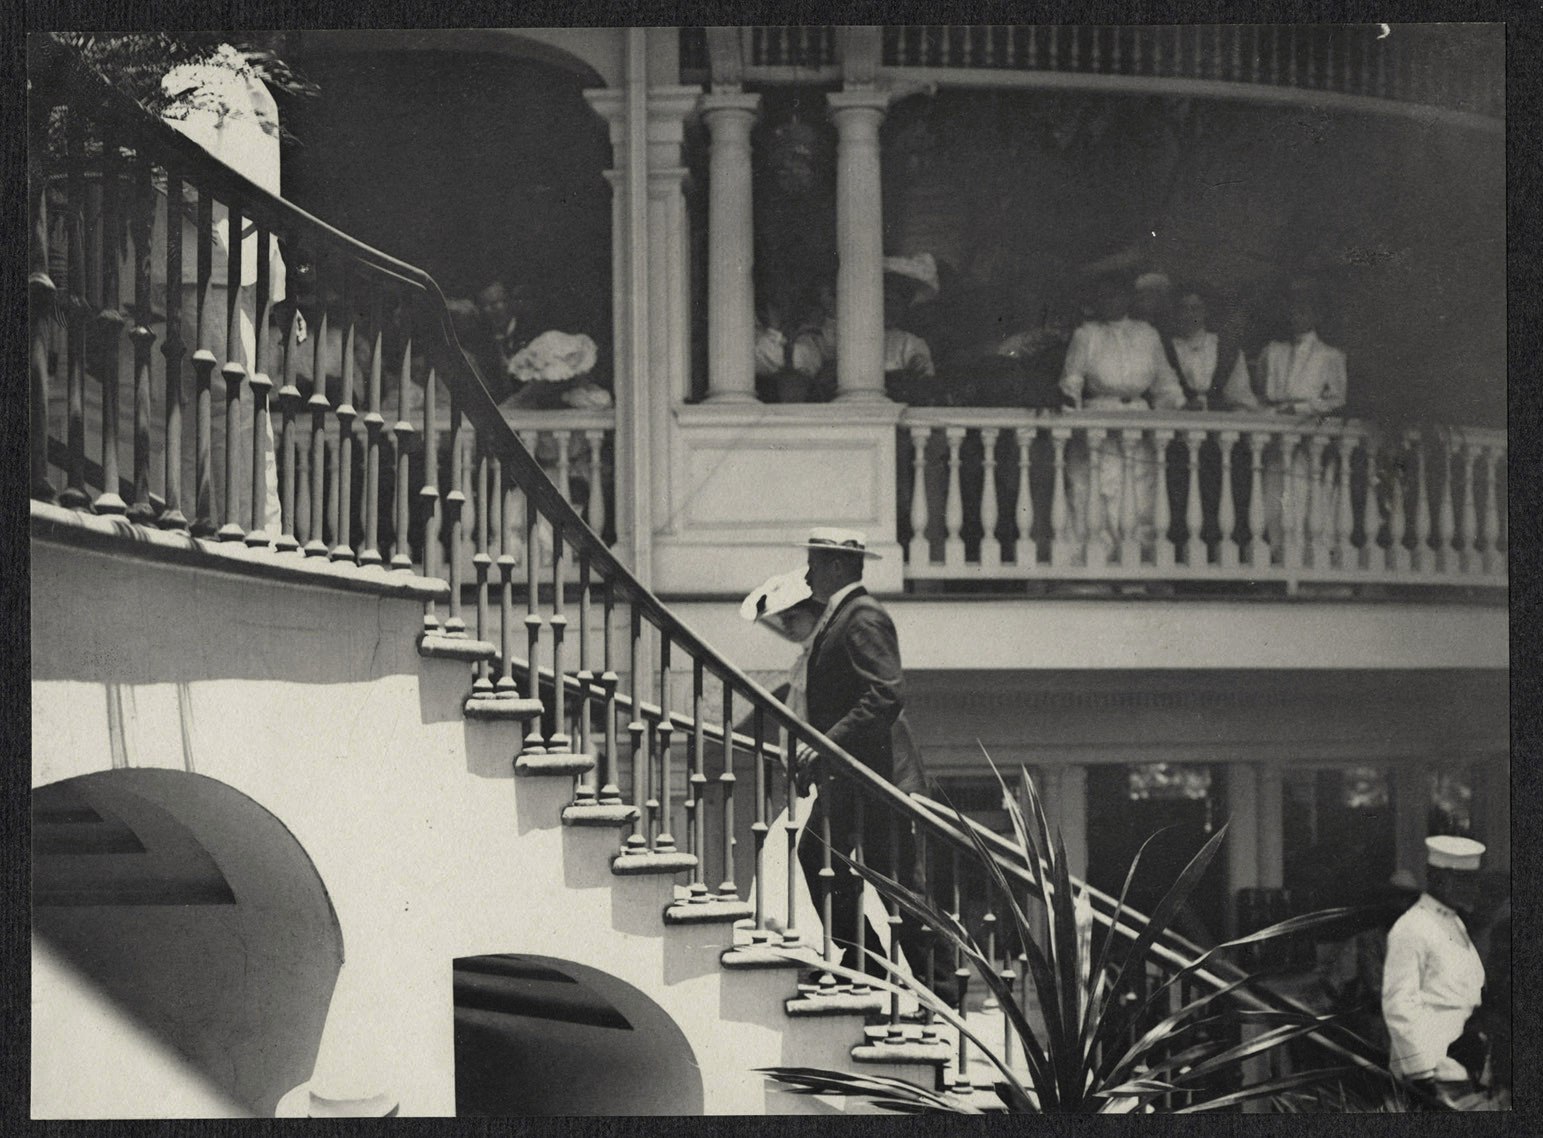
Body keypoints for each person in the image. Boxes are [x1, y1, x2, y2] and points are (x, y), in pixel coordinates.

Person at [789, 529, 949, 999]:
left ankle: (940, 990)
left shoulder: (861, 616)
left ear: (837, 566)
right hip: (854, 776)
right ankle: (867, 962)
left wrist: (825, 746)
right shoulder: (843, 615)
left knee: (897, 883)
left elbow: (886, 692)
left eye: (814, 563)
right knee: (829, 859)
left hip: (875, 779)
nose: (807, 573)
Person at [1059, 274, 1186, 556]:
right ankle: (1096, 566)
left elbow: (1165, 384)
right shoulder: (1087, 335)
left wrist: (1178, 405)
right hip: (1099, 420)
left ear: (1128, 299)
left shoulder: (1147, 334)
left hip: (1139, 421)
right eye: (1104, 296)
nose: (1111, 302)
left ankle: (1135, 569)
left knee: (1140, 496)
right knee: (1097, 493)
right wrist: (1071, 407)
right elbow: (1072, 381)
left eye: (1117, 295)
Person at [1382, 835, 1494, 1109]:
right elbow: (1398, 1005)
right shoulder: (1412, 927)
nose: (1473, 888)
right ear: (1439, 877)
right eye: (1465, 880)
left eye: (1474, 879)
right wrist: (1423, 1076)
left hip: (1462, 1067)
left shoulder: (1454, 921)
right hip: (1433, 1073)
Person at [1258, 280, 1349, 556]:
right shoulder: (1272, 351)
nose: (1297, 315)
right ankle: (1278, 556)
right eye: (1293, 309)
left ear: (1316, 315)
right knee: (1275, 497)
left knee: (1308, 497)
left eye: (1305, 310)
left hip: (1307, 434)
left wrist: (1300, 409)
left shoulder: (1329, 356)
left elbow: (1337, 399)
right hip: (1276, 433)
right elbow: (1263, 390)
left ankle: (1312, 558)